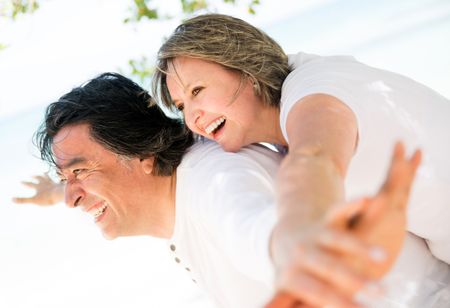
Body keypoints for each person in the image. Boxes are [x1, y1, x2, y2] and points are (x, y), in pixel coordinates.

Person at [24, 72, 422, 308]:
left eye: (80, 171)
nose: (70, 196)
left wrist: (293, 246)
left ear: (142, 153)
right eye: (65, 180)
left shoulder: (213, 181)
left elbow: (251, 225)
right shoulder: (192, 177)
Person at [153, 14, 450, 294]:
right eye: (180, 107)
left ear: (246, 71)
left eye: (197, 91)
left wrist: (299, 232)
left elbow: (317, 159)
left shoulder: (313, 93)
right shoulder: (291, 106)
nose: (192, 119)